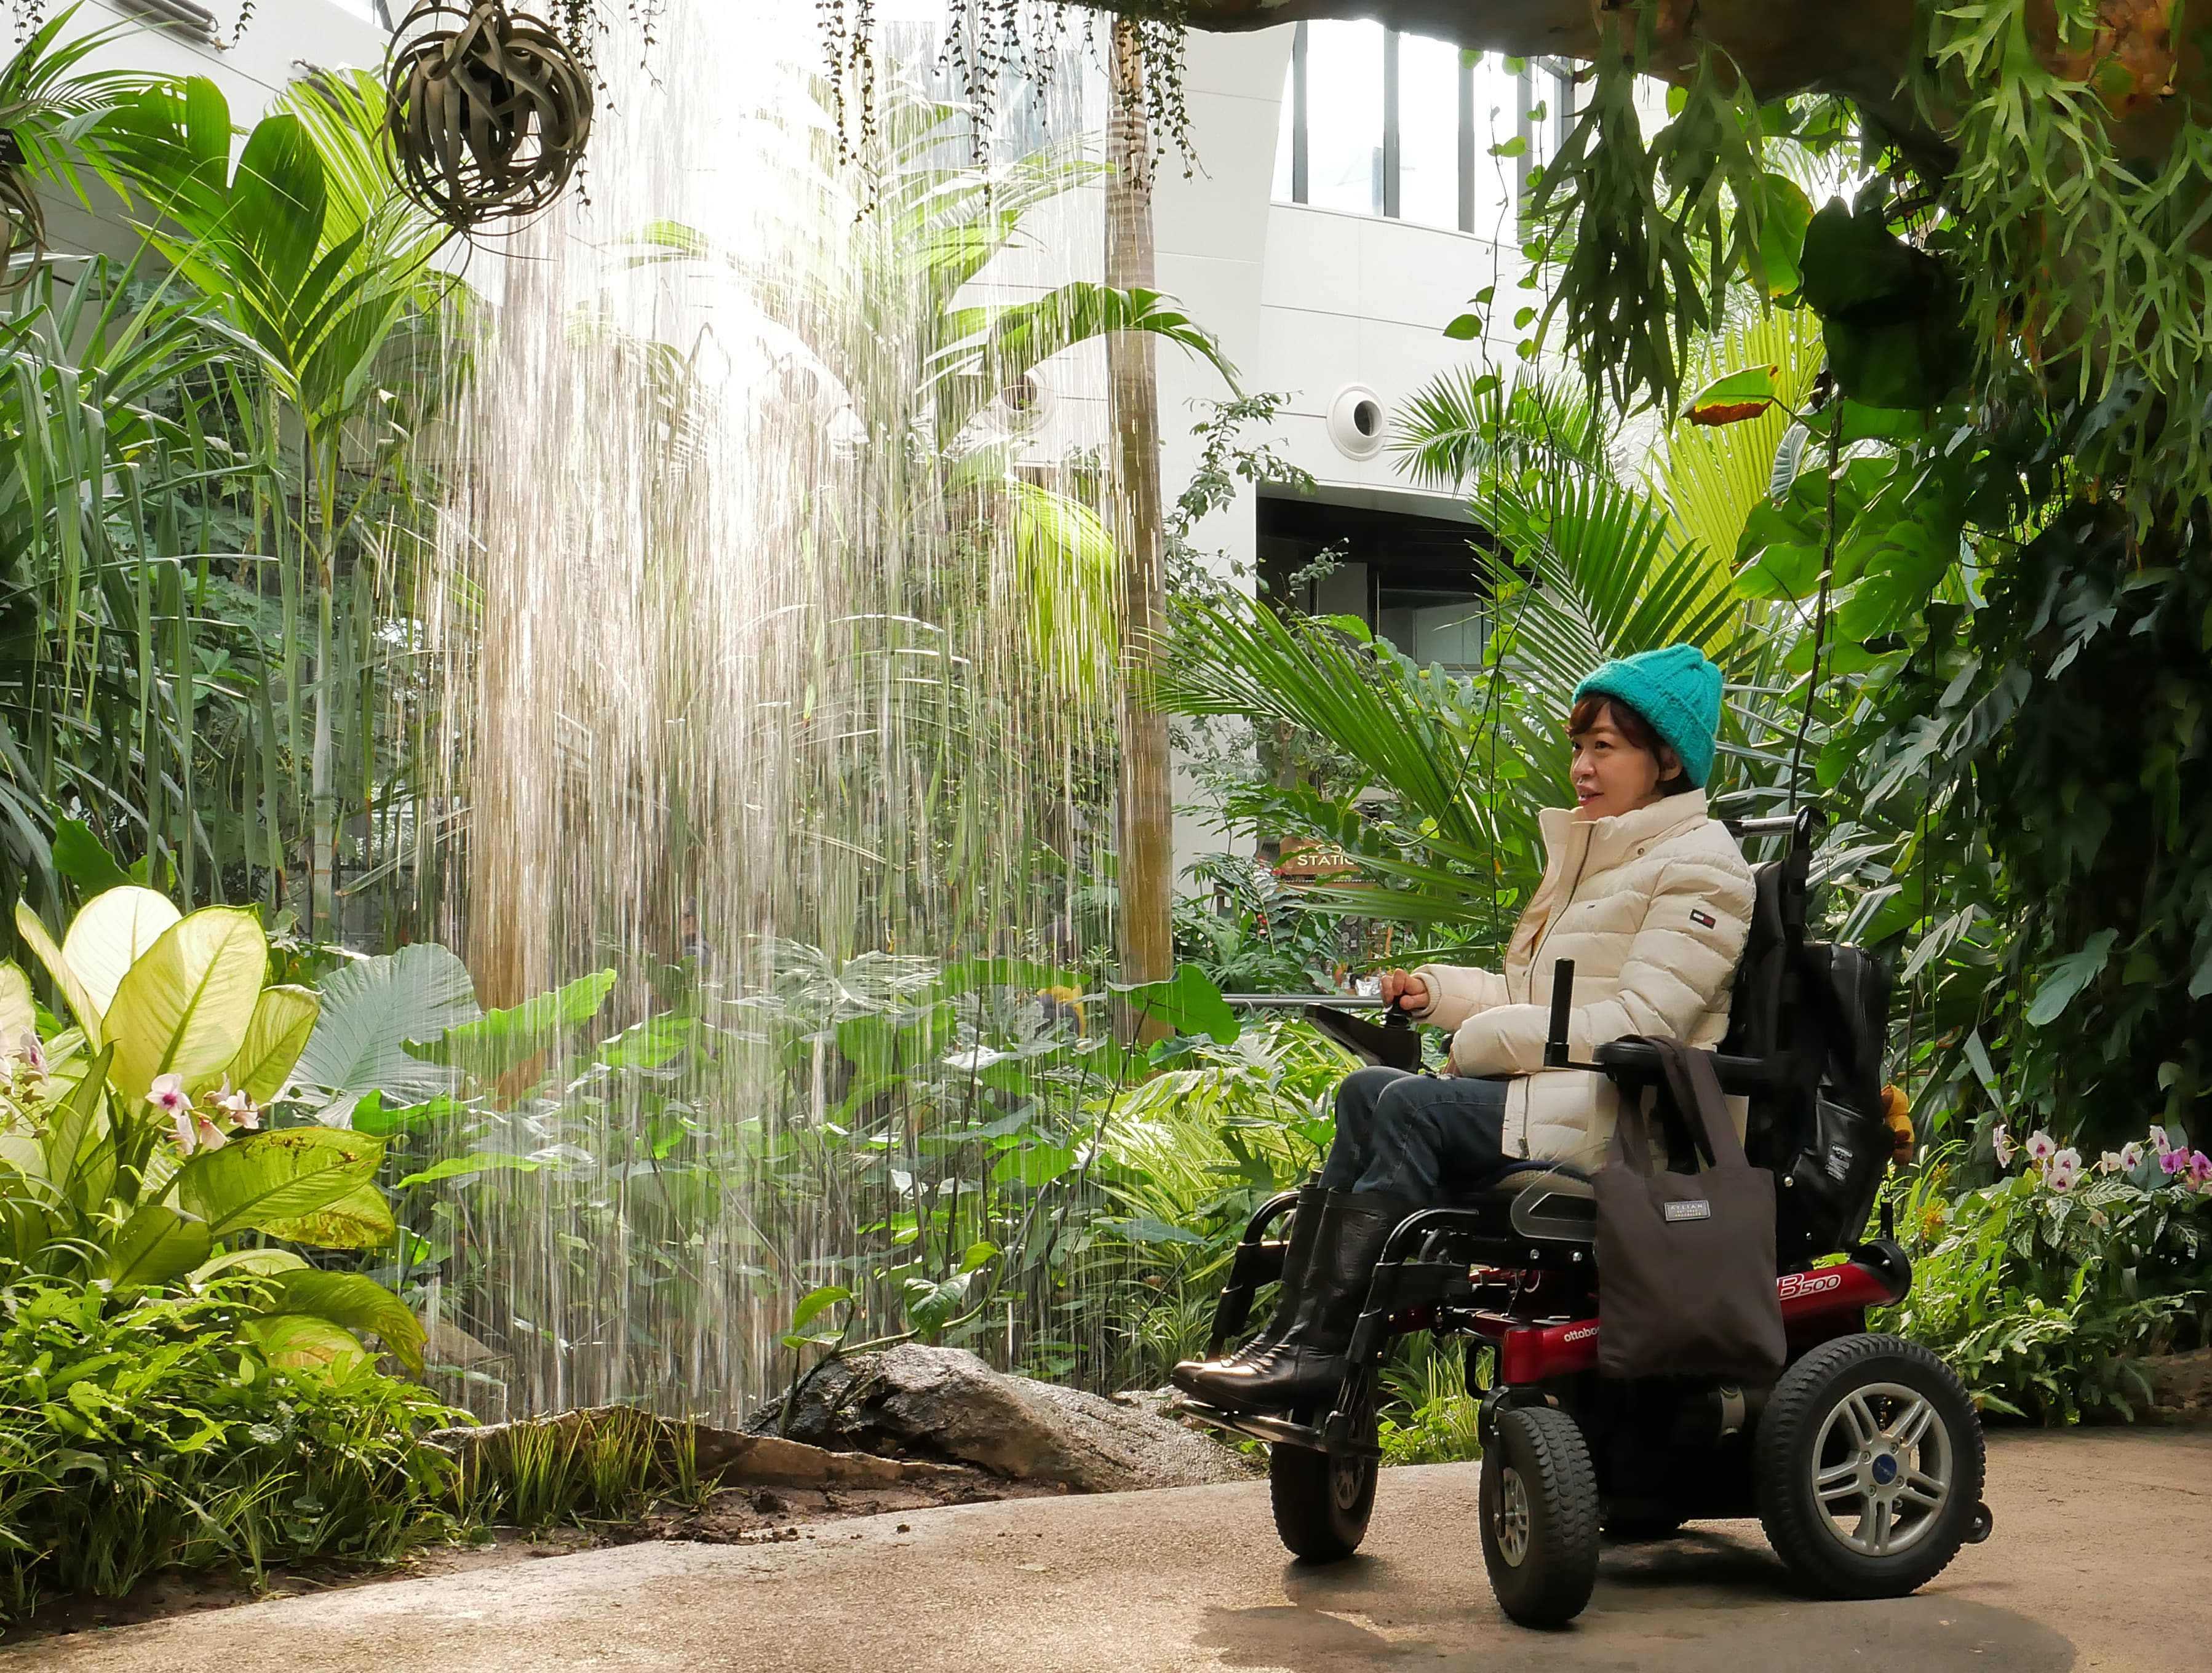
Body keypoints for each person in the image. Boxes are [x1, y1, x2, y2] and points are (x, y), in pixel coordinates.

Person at [1174, 643, 1756, 1413]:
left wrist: (1479, 1042)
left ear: (1668, 761)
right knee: (1365, 1090)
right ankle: (1295, 1341)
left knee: (1409, 1104)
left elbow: (1644, 1024)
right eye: (1577, 746)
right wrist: (1435, 992)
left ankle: (1317, 1352)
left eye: (1603, 747)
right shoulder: (1600, 854)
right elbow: (1530, 991)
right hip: (1559, 1096)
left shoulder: (1701, 867)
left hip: (1623, 1124)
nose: (1580, 767)